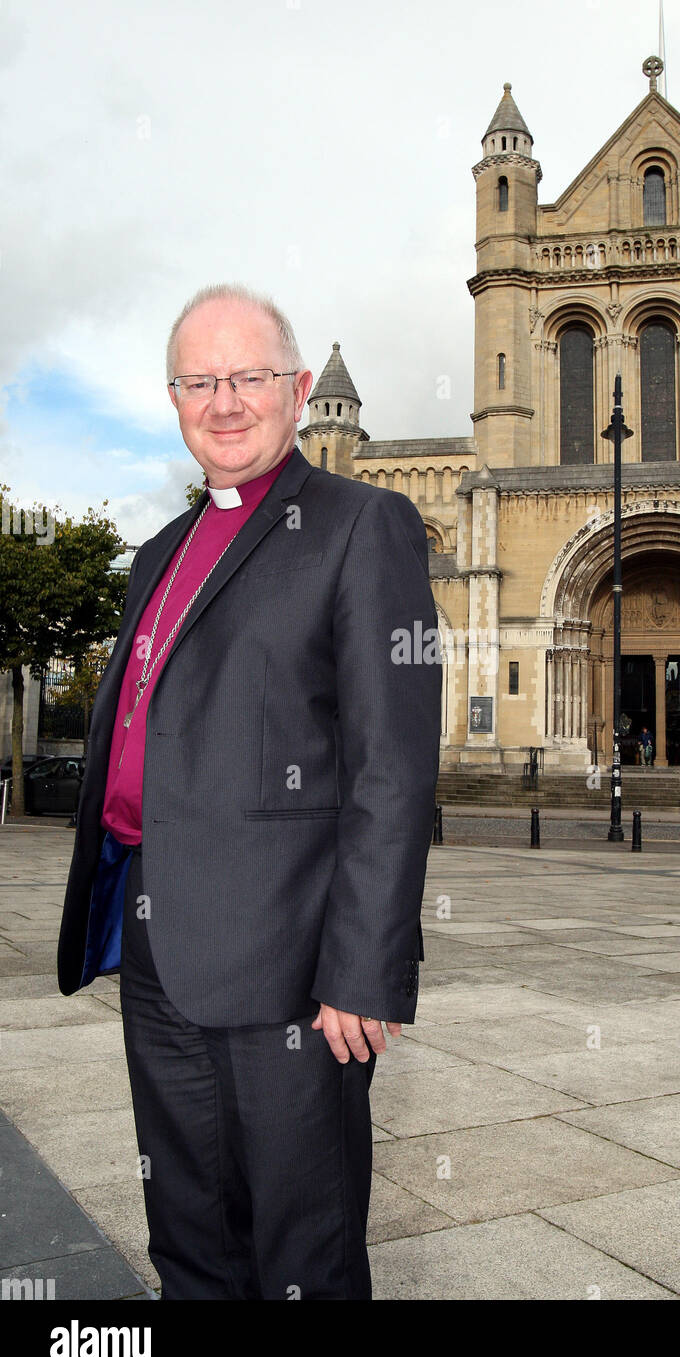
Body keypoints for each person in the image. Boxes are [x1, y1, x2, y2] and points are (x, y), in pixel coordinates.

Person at [56, 284, 441, 1300]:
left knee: (299, 1258)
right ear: (174, 397)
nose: (223, 401)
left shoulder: (366, 526)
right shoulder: (157, 554)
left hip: (289, 967)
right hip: (155, 946)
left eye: (248, 378)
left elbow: (391, 767)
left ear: (299, 390)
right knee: (186, 1238)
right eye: (199, 381)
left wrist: (363, 969)